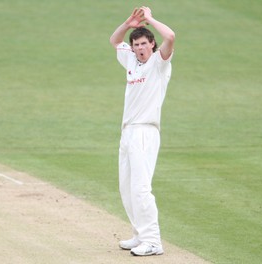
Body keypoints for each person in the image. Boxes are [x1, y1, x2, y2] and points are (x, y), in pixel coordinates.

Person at [109, 6, 175, 256]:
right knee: (126, 188)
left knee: (140, 188)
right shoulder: (131, 61)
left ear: (152, 44)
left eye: (144, 44)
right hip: (127, 132)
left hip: (146, 132)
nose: (139, 48)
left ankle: (153, 241)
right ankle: (140, 234)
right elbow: (114, 41)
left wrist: (150, 19)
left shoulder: (159, 63)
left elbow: (171, 37)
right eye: (136, 44)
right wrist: (128, 23)